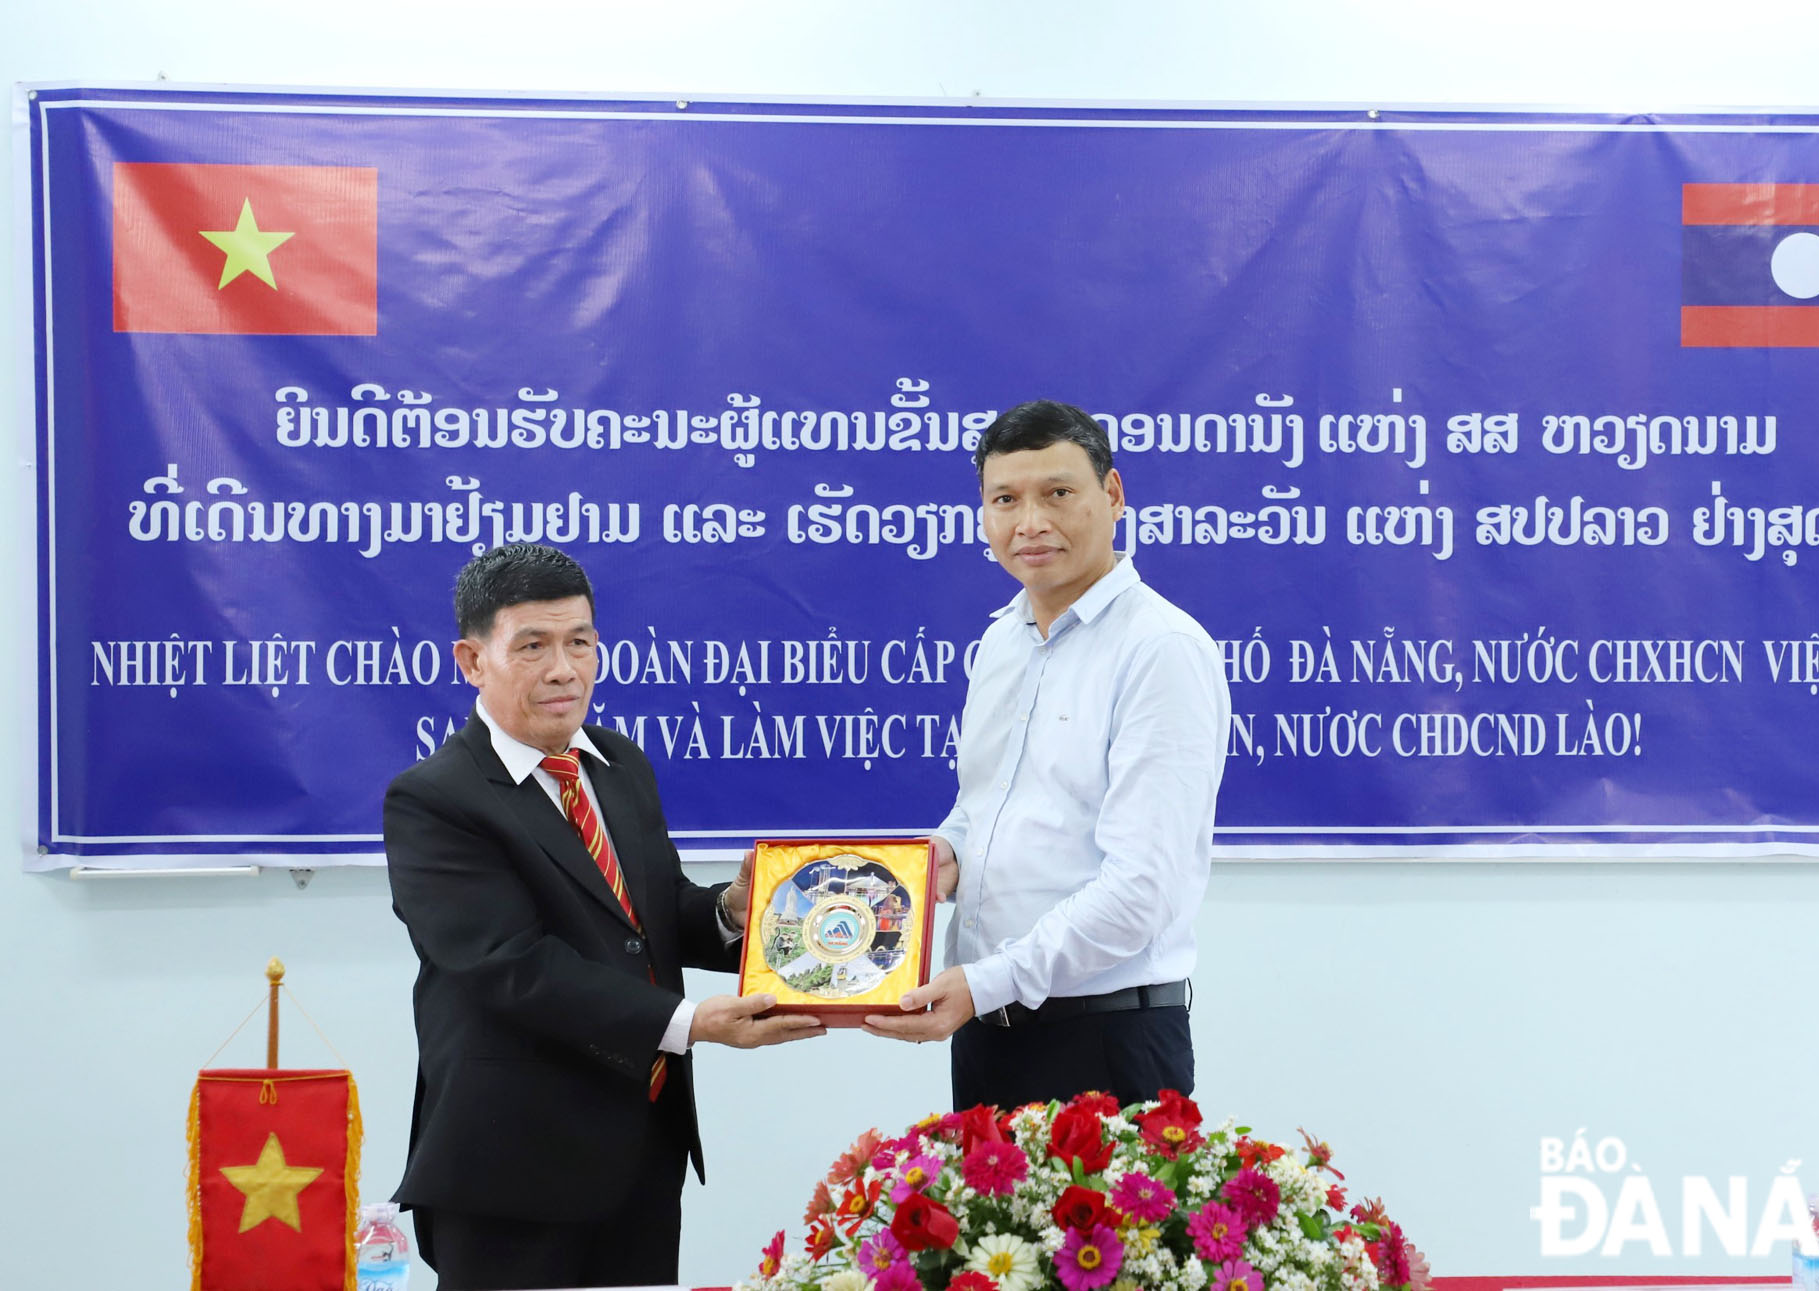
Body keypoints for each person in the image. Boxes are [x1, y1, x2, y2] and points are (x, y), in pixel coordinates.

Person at [383, 543, 822, 1291]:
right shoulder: (434, 799)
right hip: (510, 1167)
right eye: (532, 646)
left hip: (643, 1146)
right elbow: (510, 965)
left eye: (579, 641)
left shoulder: (618, 763)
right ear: (471, 659)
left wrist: (727, 910)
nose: (564, 669)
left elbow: (645, 916)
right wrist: (692, 1021)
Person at [863, 399, 1230, 1111]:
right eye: (1005, 499)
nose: (1029, 521)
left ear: (1113, 494)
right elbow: (985, 804)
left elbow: (1140, 891)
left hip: (1107, 1037)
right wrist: (943, 858)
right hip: (990, 1030)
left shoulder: (1160, 650)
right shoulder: (1001, 640)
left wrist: (987, 980)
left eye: (1057, 493)